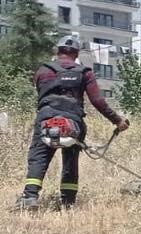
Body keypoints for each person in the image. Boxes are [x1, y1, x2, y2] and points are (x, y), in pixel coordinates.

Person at [15, 35, 129, 211]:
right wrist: (117, 120)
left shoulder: (42, 71)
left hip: (46, 120)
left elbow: (40, 94)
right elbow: (98, 101)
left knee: (38, 157)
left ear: (58, 51)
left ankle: (30, 197)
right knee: (70, 160)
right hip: (73, 122)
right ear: (76, 53)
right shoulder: (85, 73)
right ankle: (68, 202)